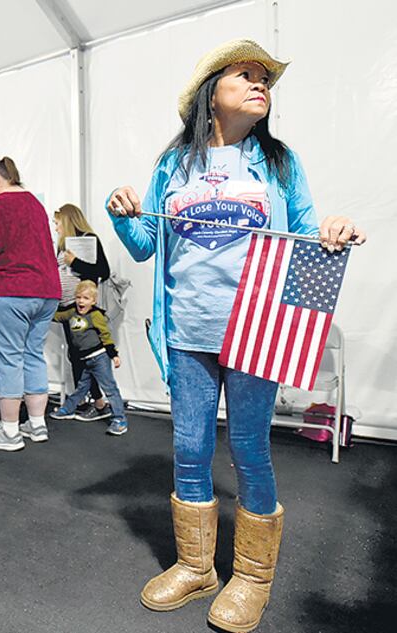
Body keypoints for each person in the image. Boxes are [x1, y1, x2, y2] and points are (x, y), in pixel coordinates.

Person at [106, 40, 367, 632]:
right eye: (244, 75)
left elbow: (305, 233)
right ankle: (197, 567)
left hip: (257, 331)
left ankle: (251, 576)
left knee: (250, 451)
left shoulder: (280, 162)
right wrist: (123, 213)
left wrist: (331, 228)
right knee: (191, 449)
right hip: (187, 333)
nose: (259, 85)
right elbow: (147, 245)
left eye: (264, 79)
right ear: (209, 94)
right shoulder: (173, 164)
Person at [0, 157, 60, 451]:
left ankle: (9, 431)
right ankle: (37, 425)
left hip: (9, 290)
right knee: (32, 355)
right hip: (46, 291)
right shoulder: (35, 203)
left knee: (8, 358)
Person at [49, 204, 115, 422]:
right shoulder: (62, 245)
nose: (56, 227)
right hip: (68, 307)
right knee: (76, 354)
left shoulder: (89, 239)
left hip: (82, 309)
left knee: (86, 355)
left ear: (67, 221)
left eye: (58, 223)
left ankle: (95, 401)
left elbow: (102, 271)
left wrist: (75, 262)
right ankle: (88, 401)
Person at [53, 282, 128, 435]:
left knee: (110, 388)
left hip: (99, 358)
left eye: (86, 298)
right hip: (84, 359)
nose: (81, 301)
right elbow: (57, 316)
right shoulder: (71, 312)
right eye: (78, 297)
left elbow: (106, 335)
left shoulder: (96, 315)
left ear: (93, 301)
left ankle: (120, 420)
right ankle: (67, 409)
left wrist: (113, 355)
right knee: (81, 387)